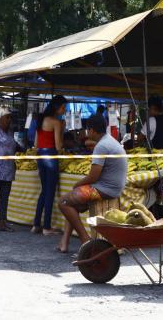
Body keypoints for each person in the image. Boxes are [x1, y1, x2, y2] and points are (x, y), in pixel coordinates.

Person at [57, 114, 127, 252]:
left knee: (63, 202)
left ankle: (85, 239)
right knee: (72, 204)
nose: (87, 133)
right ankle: (64, 243)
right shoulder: (110, 141)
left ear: (92, 130)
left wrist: (77, 184)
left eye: (88, 130)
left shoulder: (102, 146)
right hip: (112, 187)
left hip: (105, 189)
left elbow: (93, 176)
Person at [31, 95, 67, 236]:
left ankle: (36, 225)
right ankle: (46, 227)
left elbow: (35, 144)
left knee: (44, 191)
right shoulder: (56, 122)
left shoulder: (40, 120)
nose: (64, 110)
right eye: (63, 107)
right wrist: (62, 129)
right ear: (56, 107)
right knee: (50, 192)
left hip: (40, 156)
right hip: (51, 157)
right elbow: (58, 146)